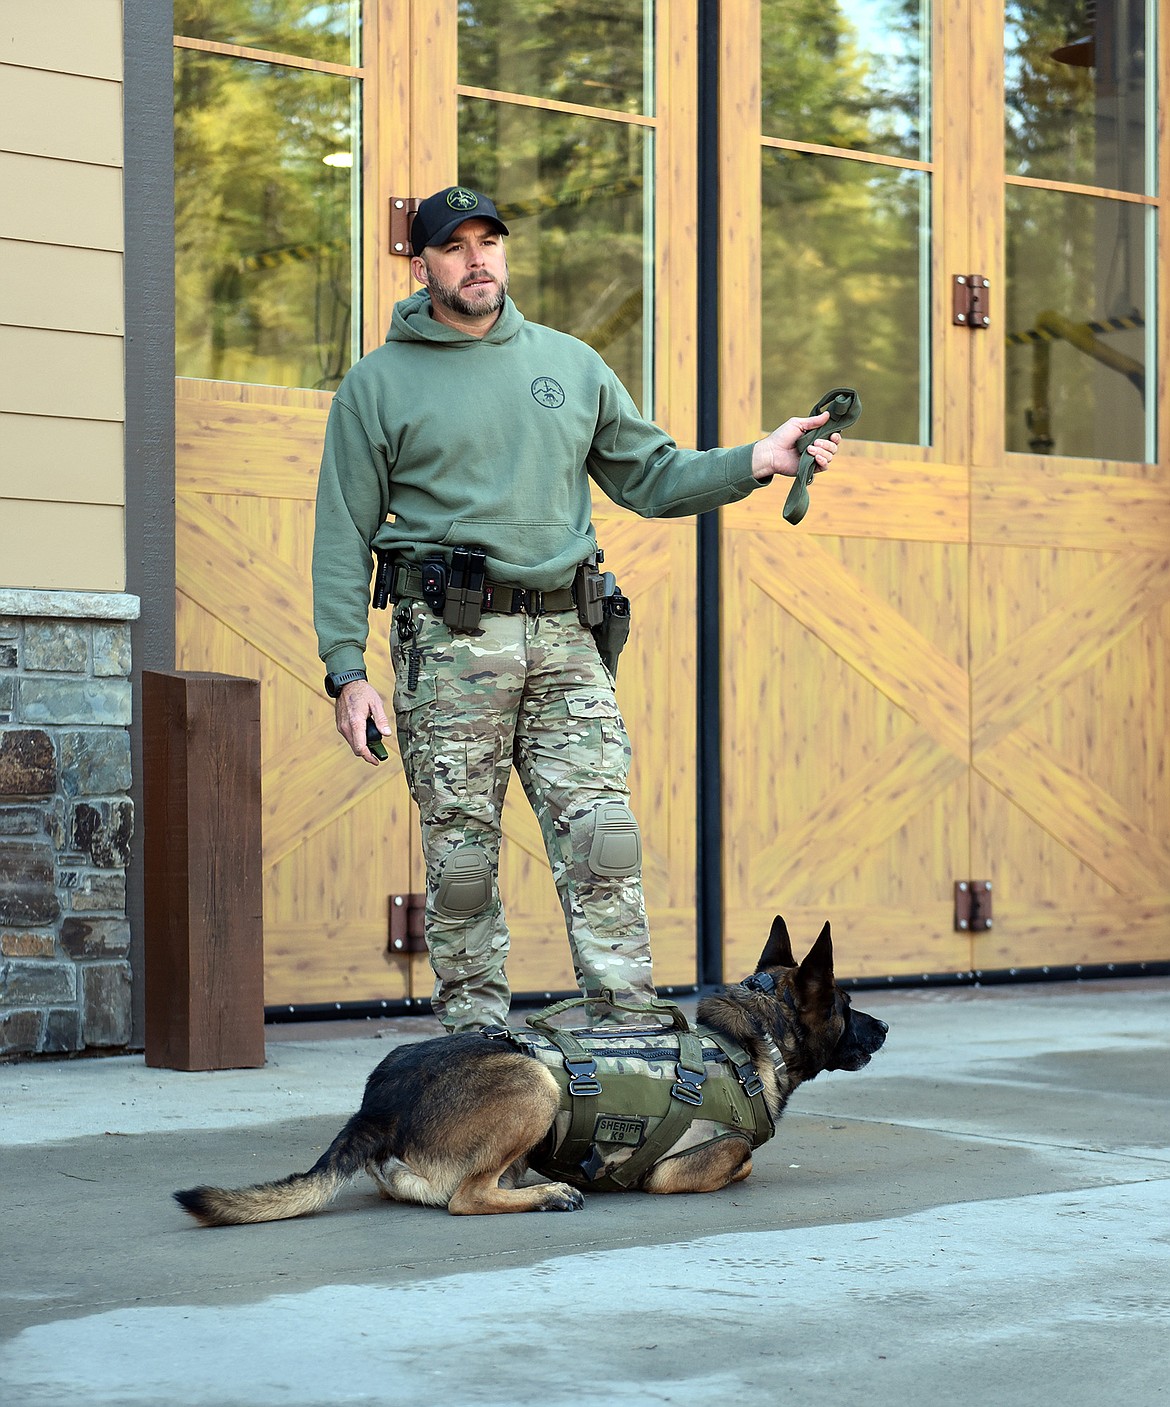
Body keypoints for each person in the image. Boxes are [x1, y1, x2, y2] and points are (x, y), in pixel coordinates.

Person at [312, 185, 842, 1033]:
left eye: (490, 241)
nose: (478, 258)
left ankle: (630, 1040)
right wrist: (347, 670)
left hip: (568, 639)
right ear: (423, 265)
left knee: (605, 842)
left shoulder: (570, 363)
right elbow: (342, 533)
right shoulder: (378, 387)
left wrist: (759, 457)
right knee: (462, 866)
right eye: (456, 246)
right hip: (450, 649)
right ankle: (473, 1058)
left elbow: (652, 475)